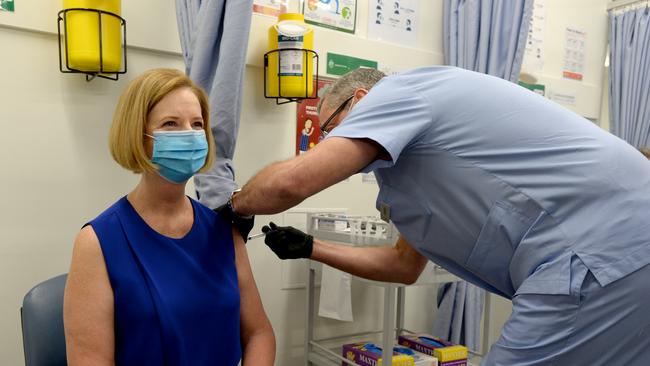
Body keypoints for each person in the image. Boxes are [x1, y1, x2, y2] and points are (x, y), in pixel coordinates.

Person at [225, 67, 650, 365]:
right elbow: (404, 265)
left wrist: (235, 205)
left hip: (598, 254)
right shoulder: (411, 170)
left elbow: (289, 184)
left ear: (360, 100)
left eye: (331, 129)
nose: (330, 141)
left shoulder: (403, 92)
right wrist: (312, 248)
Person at [63, 68, 275, 366]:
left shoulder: (224, 232)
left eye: (197, 124)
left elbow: (259, 334)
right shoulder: (98, 243)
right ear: (139, 135)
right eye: (170, 124)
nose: (188, 134)